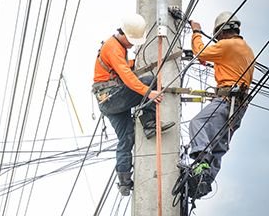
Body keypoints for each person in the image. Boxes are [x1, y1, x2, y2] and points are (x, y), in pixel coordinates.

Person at [92, 13, 175, 196]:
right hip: (112, 97)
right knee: (149, 80)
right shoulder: (113, 47)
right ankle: (149, 123)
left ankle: (124, 181)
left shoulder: (117, 48)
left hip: (107, 102)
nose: (132, 44)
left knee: (126, 138)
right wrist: (148, 92)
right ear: (123, 34)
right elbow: (127, 77)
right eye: (131, 40)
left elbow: (121, 68)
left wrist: (132, 63)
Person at [188, 11, 254, 198]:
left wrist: (196, 32)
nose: (217, 40)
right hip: (239, 107)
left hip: (226, 100)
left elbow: (200, 51)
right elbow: (214, 60)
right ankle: (204, 182)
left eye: (217, 36)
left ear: (222, 31)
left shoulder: (227, 45)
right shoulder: (245, 49)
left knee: (198, 124)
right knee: (219, 143)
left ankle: (201, 164)